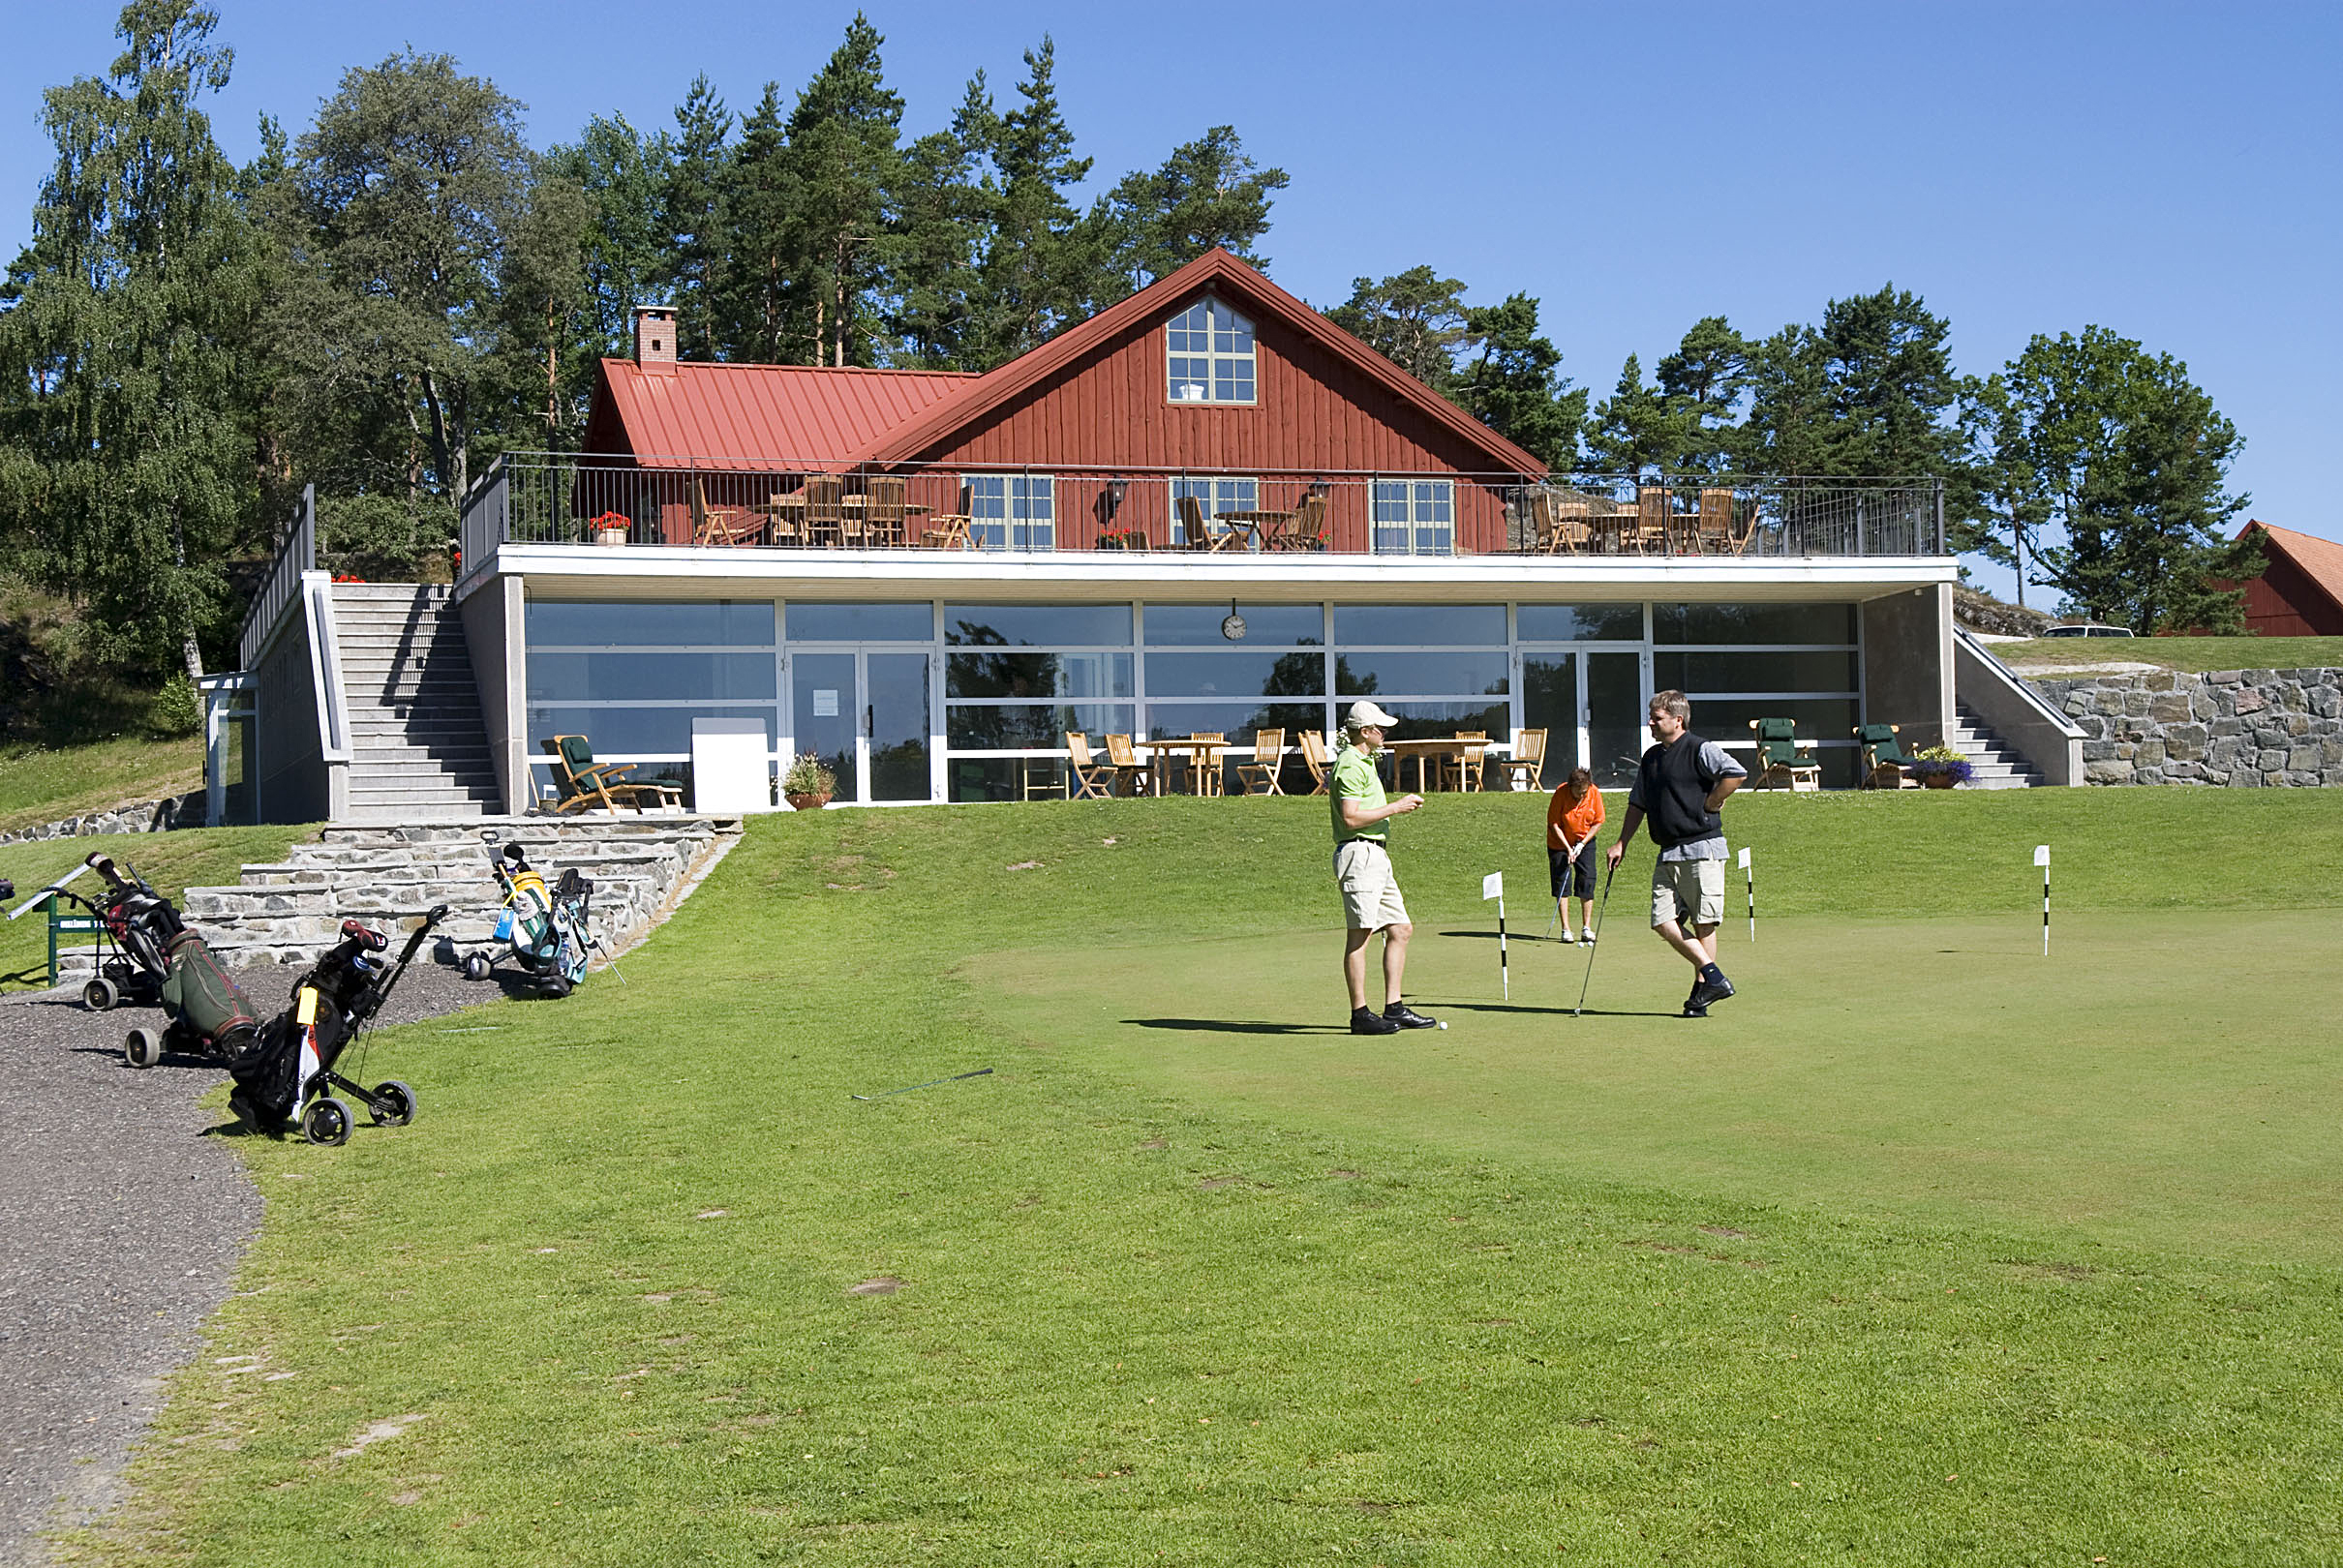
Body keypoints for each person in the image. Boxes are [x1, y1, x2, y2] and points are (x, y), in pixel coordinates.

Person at [1604, 690, 1747, 1017]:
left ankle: (1701, 994)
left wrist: (1713, 801)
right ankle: (1714, 977)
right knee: (1662, 922)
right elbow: (1637, 802)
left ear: (1677, 720)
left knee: (1703, 923)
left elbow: (1736, 773)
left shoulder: (1699, 749)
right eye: (1651, 717)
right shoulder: (1651, 758)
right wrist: (1622, 842)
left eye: (1657, 718)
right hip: (1668, 851)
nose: (1651, 723)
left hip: (1702, 848)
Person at [1328, 700, 1437, 1035]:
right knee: (1360, 936)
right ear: (1365, 731)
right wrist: (1396, 807)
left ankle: (1394, 1008)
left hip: (1376, 854)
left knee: (1401, 929)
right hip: (1359, 853)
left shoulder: (1364, 761)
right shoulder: (1350, 764)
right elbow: (1350, 818)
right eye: (1380, 728)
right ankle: (1360, 1015)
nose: (1385, 733)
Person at [1546, 766, 1604, 945]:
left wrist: (1581, 844)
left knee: (1587, 880)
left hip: (1584, 841)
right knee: (1562, 882)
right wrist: (1568, 848)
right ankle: (1566, 929)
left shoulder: (1594, 793)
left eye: (1584, 792)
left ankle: (1586, 928)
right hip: (1559, 843)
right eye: (1578, 792)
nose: (1581, 796)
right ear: (1570, 786)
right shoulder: (1560, 793)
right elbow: (1554, 824)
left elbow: (1598, 822)